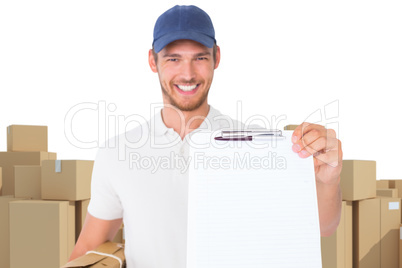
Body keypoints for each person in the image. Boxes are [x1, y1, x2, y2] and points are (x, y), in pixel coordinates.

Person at [69, 5, 343, 267]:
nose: (187, 74)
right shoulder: (117, 154)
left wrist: (328, 180)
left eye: (199, 58)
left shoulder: (258, 146)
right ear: (153, 61)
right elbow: (86, 252)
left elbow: (323, 227)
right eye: (173, 59)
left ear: (217, 58)